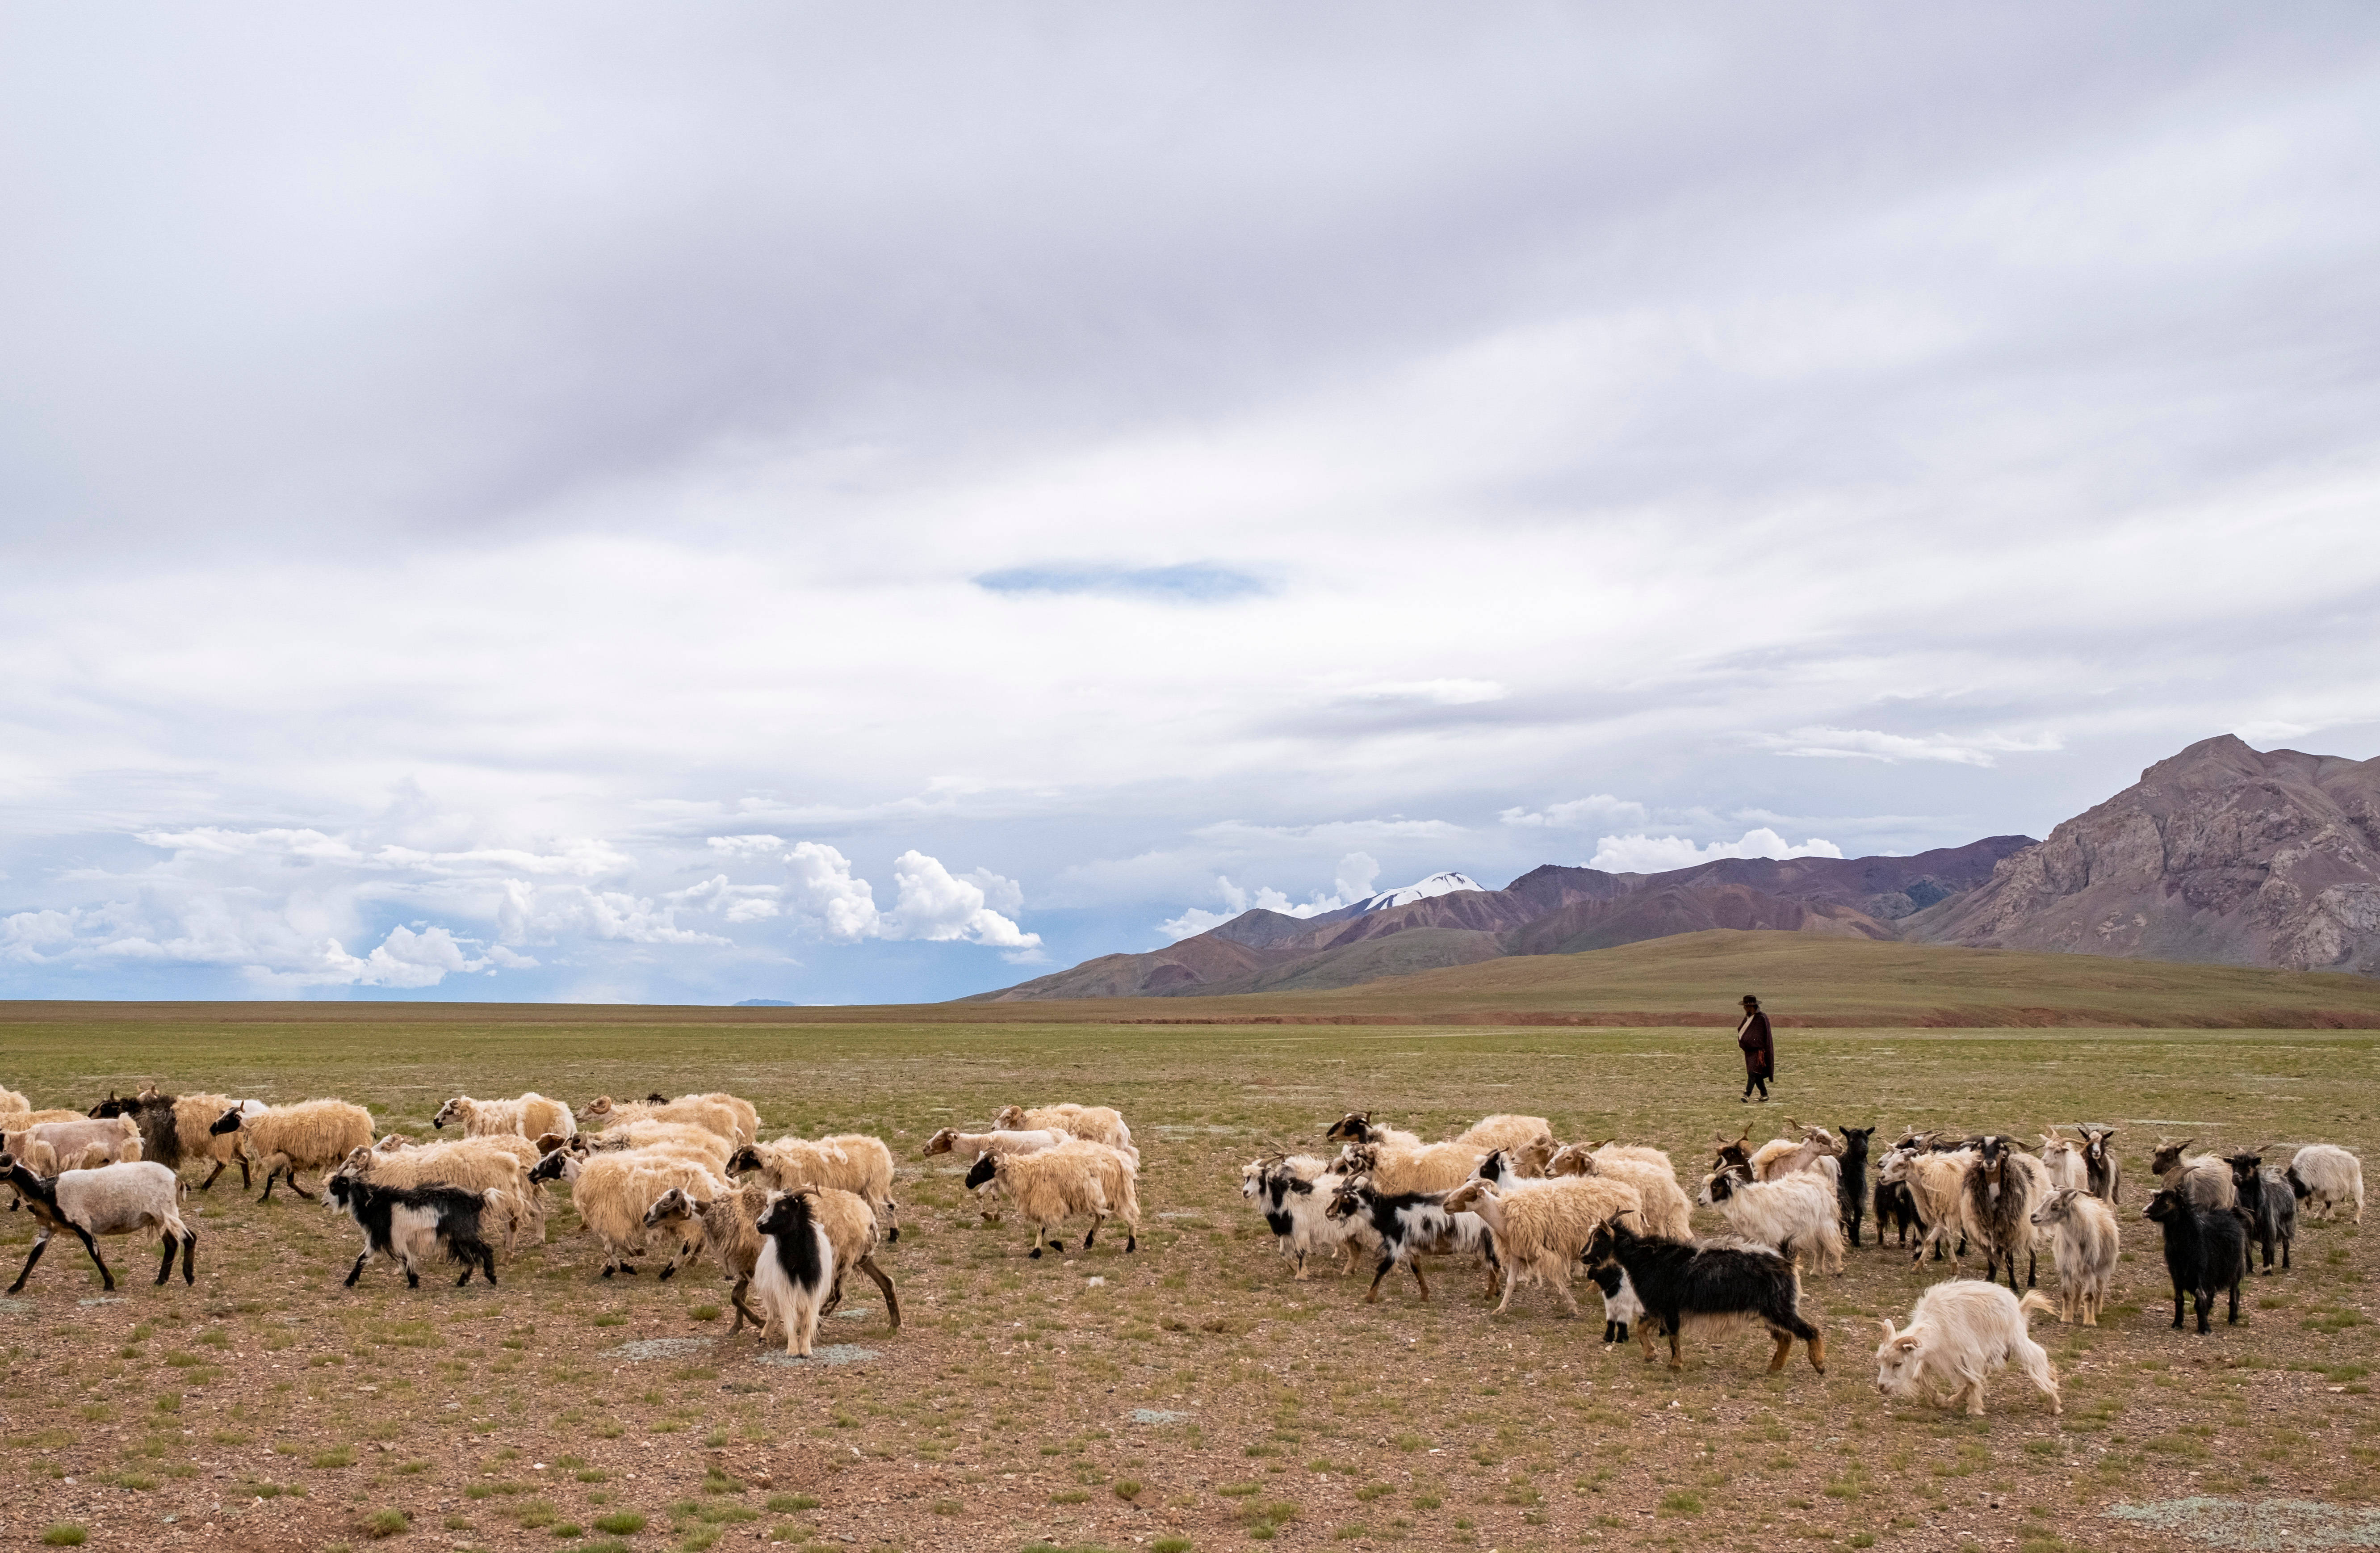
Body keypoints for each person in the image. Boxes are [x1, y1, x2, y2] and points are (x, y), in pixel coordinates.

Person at [1737, 994, 1774, 1103]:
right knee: (1755, 1074)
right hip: (1749, 1051)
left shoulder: (1761, 1018)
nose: (1745, 1008)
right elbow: (1743, 1032)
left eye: (1747, 1006)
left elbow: (1762, 1035)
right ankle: (1764, 1095)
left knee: (1753, 1072)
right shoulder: (1748, 1018)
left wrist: (1754, 1044)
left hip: (1759, 1051)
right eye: (1744, 1006)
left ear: (1753, 1006)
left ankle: (1747, 1094)